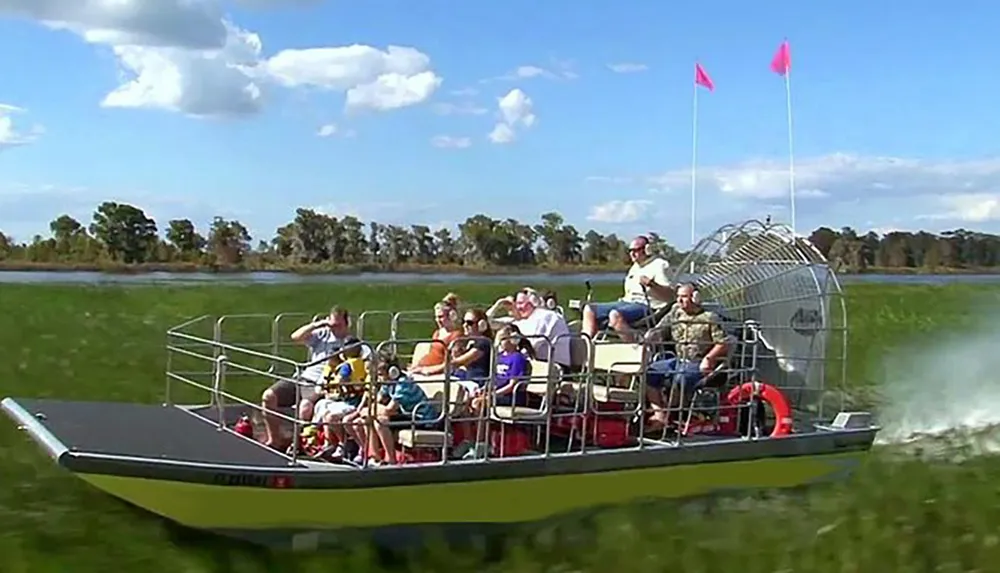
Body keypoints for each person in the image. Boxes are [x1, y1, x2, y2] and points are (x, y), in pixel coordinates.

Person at [635, 283, 730, 426]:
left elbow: (724, 342)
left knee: (681, 378)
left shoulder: (710, 318)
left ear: (695, 298)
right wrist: (649, 338)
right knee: (648, 373)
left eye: (684, 297)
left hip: (697, 362)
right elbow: (659, 329)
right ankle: (659, 414)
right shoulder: (675, 312)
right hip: (678, 359)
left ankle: (675, 413)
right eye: (678, 297)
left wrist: (709, 358)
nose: (679, 300)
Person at [260, 306, 353, 450]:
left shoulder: (351, 344)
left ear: (347, 324)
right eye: (332, 325)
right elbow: (295, 337)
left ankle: (299, 445)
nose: (334, 329)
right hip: (303, 377)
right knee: (269, 396)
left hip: (321, 383)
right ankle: (275, 440)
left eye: (338, 326)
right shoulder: (323, 334)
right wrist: (317, 324)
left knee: (305, 407)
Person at [351, 352, 437, 466]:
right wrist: (368, 409)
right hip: (406, 414)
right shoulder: (387, 382)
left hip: (422, 419)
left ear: (392, 371)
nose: (379, 377)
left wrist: (370, 410)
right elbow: (377, 402)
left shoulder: (403, 383)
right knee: (363, 421)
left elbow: (388, 410)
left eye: (381, 373)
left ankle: (391, 460)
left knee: (380, 422)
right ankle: (374, 457)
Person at [581, 235, 674, 338]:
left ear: (647, 250)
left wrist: (652, 285)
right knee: (589, 309)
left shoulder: (660, 265)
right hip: (626, 302)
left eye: (636, 250)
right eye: (630, 251)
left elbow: (670, 296)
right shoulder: (635, 267)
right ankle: (586, 344)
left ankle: (636, 347)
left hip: (647, 306)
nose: (632, 254)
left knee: (615, 315)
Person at [311, 336, 368, 458]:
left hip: (352, 403)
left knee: (330, 417)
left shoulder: (347, 367)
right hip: (346, 400)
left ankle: (342, 444)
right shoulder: (361, 364)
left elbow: (342, 380)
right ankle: (325, 440)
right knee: (322, 407)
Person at [487, 287, 572, 368]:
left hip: (552, 366)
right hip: (531, 364)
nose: (519, 307)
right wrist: (498, 305)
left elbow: (532, 346)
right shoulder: (518, 321)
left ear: (534, 302)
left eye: (522, 303)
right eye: (517, 304)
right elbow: (485, 324)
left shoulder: (546, 316)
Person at [410, 292, 464, 373]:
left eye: (441, 317)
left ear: (451, 316)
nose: (437, 320)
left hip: (432, 370)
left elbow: (453, 362)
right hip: (422, 367)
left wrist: (424, 370)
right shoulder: (437, 333)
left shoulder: (456, 335)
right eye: (436, 317)